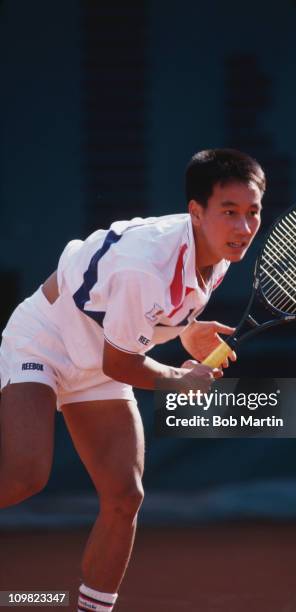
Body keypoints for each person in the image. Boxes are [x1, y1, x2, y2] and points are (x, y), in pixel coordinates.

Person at [0, 148, 265, 612]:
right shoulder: (143, 265)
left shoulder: (218, 254)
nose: (243, 228)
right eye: (230, 213)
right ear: (196, 212)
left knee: (125, 497)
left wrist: (185, 330)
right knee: (24, 476)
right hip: (45, 341)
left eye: (252, 213)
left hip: (102, 354)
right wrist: (179, 381)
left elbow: (141, 321)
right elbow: (121, 364)